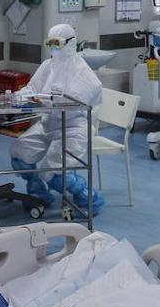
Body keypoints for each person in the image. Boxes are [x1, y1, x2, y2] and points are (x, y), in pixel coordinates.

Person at [9, 23, 104, 215]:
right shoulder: (48, 65)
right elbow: (32, 88)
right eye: (50, 44)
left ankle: (88, 197)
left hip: (73, 128)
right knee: (19, 152)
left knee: (53, 173)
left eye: (57, 43)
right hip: (47, 123)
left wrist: (44, 100)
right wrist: (18, 96)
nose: (53, 48)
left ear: (70, 43)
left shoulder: (85, 74)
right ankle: (38, 192)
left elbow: (73, 106)